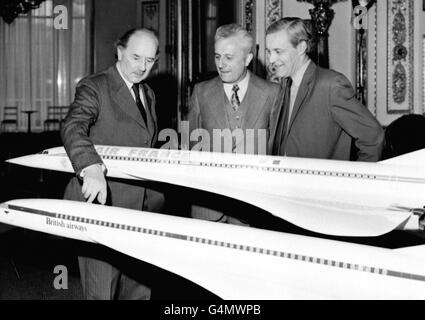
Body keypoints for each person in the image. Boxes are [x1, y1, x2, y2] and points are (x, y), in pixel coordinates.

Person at [61, 28, 164, 300]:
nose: (143, 67)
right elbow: (73, 126)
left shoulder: (148, 93)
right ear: (119, 52)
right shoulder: (95, 85)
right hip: (103, 204)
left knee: (139, 290)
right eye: (136, 57)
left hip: (141, 210)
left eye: (150, 60)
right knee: (102, 292)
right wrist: (90, 165)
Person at [187, 23, 280, 225]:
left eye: (229, 57)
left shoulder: (272, 93)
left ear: (248, 58)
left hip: (254, 207)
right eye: (217, 56)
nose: (221, 64)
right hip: (208, 209)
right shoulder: (200, 92)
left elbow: (277, 151)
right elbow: (190, 149)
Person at [266, 17, 384, 161]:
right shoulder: (285, 85)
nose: (271, 59)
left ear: (301, 48)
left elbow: (373, 136)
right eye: (269, 51)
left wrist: (356, 180)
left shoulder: (331, 85)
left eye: (278, 51)